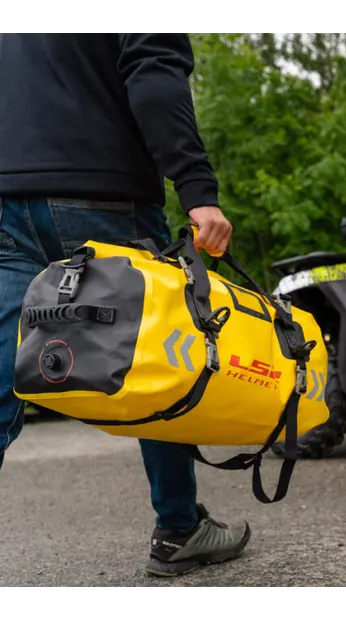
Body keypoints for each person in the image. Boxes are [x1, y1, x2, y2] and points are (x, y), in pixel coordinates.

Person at [0, 33, 250, 578]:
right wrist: (197, 188)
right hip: (101, 193)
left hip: (6, 204)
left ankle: (182, 525)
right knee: (156, 356)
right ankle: (179, 528)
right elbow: (154, 76)